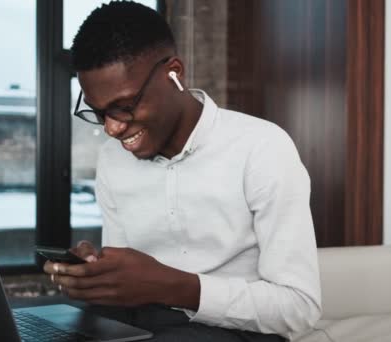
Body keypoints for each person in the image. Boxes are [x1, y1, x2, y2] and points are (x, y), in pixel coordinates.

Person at [43, 1, 321, 341]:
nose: (113, 129)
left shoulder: (262, 148)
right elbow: (125, 272)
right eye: (100, 113)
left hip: (236, 331)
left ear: (174, 72)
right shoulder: (112, 159)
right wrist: (98, 277)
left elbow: (299, 308)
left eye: (125, 107)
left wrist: (173, 286)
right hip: (137, 320)